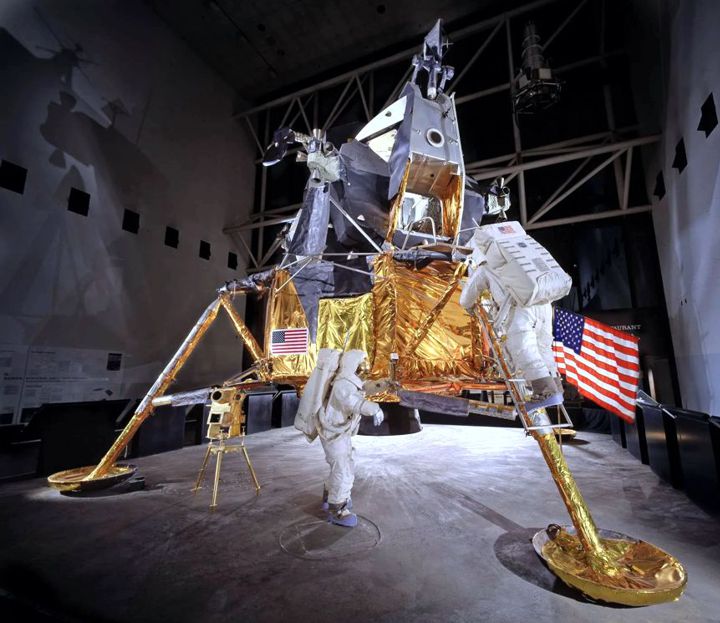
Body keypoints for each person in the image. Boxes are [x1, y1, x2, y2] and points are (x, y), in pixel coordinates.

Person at [459, 220, 570, 410]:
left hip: (518, 309)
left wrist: (468, 307)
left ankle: (545, 392)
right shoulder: (517, 260)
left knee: (524, 350)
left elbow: (469, 294)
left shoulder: (486, 267)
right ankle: (556, 387)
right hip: (543, 304)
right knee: (543, 348)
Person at [295, 349, 384, 527]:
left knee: (344, 463)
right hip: (332, 433)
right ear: (353, 365)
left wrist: (385, 384)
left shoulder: (350, 380)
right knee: (343, 469)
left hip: (339, 432)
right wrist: (374, 409)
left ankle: (330, 493)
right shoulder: (343, 384)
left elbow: (366, 387)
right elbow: (351, 400)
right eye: (362, 363)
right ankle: (337, 508)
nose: (365, 367)